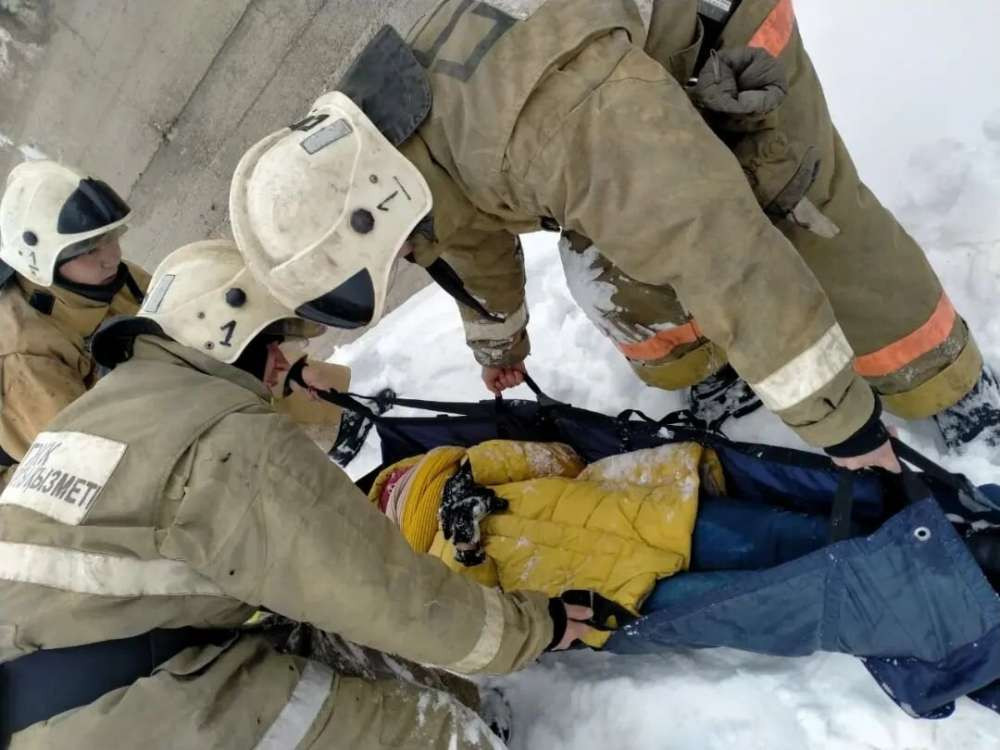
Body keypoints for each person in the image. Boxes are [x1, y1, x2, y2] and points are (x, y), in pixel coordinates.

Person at [228, 0, 998, 483]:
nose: (402, 259)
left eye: (390, 253)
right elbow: (454, 231)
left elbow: (724, 255)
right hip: (621, 106)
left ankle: (946, 384)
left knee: (808, 221)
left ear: (373, 200)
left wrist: (848, 434)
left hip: (723, 54)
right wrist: (499, 341)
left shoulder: (543, 130)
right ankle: (714, 370)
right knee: (605, 266)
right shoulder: (397, 143)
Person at [0, 240, 591, 749]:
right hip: (124, 718)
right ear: (226, 334)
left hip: (66, 685)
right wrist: (536, 627)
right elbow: (384, 592)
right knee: (435, 731)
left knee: (337, 638)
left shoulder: (108, 407)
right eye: (275, 339)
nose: (286, 358)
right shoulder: (228, 442)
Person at [0, 160, 150, 472]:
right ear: (44, 262)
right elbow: (85, 461)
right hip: (39, 470)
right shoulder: (25, 354)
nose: (112, 257)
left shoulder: (102, 277)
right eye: (89, 249)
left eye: (111, 236)